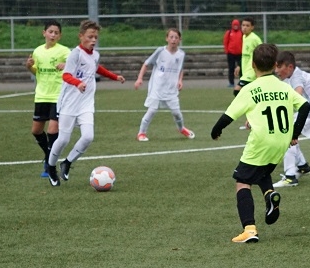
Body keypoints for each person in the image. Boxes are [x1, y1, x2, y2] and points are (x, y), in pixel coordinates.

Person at [211, 43, 310, 244]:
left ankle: (249, 229)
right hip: (281, 142)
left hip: (261, 142)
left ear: (253, 65)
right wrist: (294, 133)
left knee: (242, 181)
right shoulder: (284, 87)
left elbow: (228, 115)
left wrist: (216, 130)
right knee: (263, 172)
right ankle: (269, 195)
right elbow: (305, 106)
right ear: (275, 65)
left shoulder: (249, 89)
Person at [45, 20, 126, 186]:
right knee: (63, 140)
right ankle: (51, 167)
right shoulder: (75, 54)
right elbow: (66, 75)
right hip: (68, 103)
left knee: (88, 137)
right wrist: (78, 83)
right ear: (81, 36)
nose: (93, 40)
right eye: (90, 37)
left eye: (95, 37)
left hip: (86, 104)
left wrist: (114, 77)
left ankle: (67, 162)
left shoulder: (95, 55)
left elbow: (97, 68)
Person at [272, 50, 310, 188]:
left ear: (290, 67)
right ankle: (303, 166)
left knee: (286, 132)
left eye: (279, 67)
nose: (276, 70)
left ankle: (290, 177)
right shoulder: (294, 75)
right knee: (289, 130)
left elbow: (297, 95)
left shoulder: (296, 77)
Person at [25, 20, 70, 178]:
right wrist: (29, 66)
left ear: (60, 36)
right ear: (44, 33)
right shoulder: (37, 51)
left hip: (58, 96)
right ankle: (48, 155)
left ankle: (50, 164)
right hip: (41, 96)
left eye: (56, 33)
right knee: (36, 131)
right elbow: (36, 71)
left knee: (52, 130)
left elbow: (76, 66)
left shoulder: (64, 51)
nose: (53, 35)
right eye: (50, 32)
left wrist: (67, 65)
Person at [134, 28, 195, 142]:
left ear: (180, 40)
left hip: (171, 89)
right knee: (152, 110)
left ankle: (181, 128)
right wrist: (140, 78)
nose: (173, 40)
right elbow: (146, 64)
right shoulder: (160, 51)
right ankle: (141, 133)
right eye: (171, 37)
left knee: (177, 113)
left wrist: (180, 81)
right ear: (167, 38)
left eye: (176, 37)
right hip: (157, 87)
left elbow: (180, 69)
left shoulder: (181, 54)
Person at [233, 17, 262, 96]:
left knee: (237, 90)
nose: (244, 27)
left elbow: (263, 52)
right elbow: (245, 55)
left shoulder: (255, 39)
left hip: (251, 71)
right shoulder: (244, 37)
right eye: (243, 25)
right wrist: (239, 66)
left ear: (252, 27)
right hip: (245, 70)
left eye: (247, 25)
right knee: (250, 92)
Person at [223, 19, 242, 88]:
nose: (235, 26)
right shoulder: (229, 32)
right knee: (231, 68)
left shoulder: (241, 33)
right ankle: (231, 83)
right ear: (232, 25)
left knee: (241, 68)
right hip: (231, 54)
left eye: (237, 25)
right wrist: (227, 51)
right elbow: (225, 42)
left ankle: (241, 82)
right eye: (234, 25)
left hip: (240, 53)